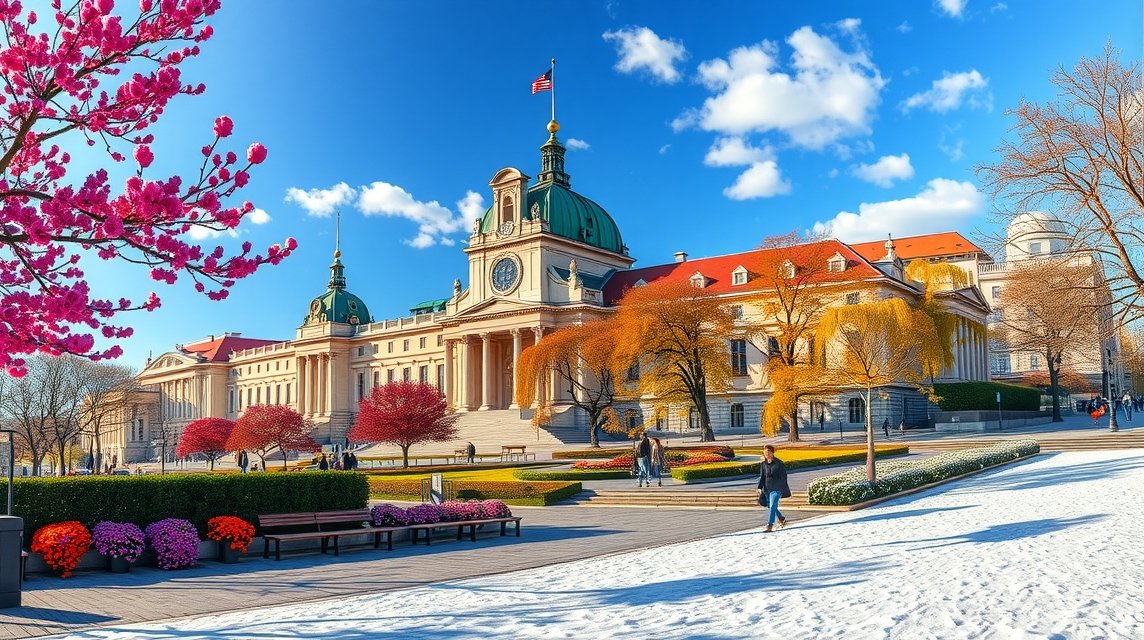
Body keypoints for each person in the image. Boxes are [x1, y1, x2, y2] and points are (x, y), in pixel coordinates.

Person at [756, 444, 791, 533]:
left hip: (777, 489)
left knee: (772, 506)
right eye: (765, 453)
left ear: (772, 453)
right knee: (772, 507)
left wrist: (781, 488)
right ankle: (781, 519)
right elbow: (762, 477)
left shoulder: (779, 463)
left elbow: (784, 477)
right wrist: (759, 488)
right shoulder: (763, 464)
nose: (766, 454)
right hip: (767, 489)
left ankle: (770, 525)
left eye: (768, 452)